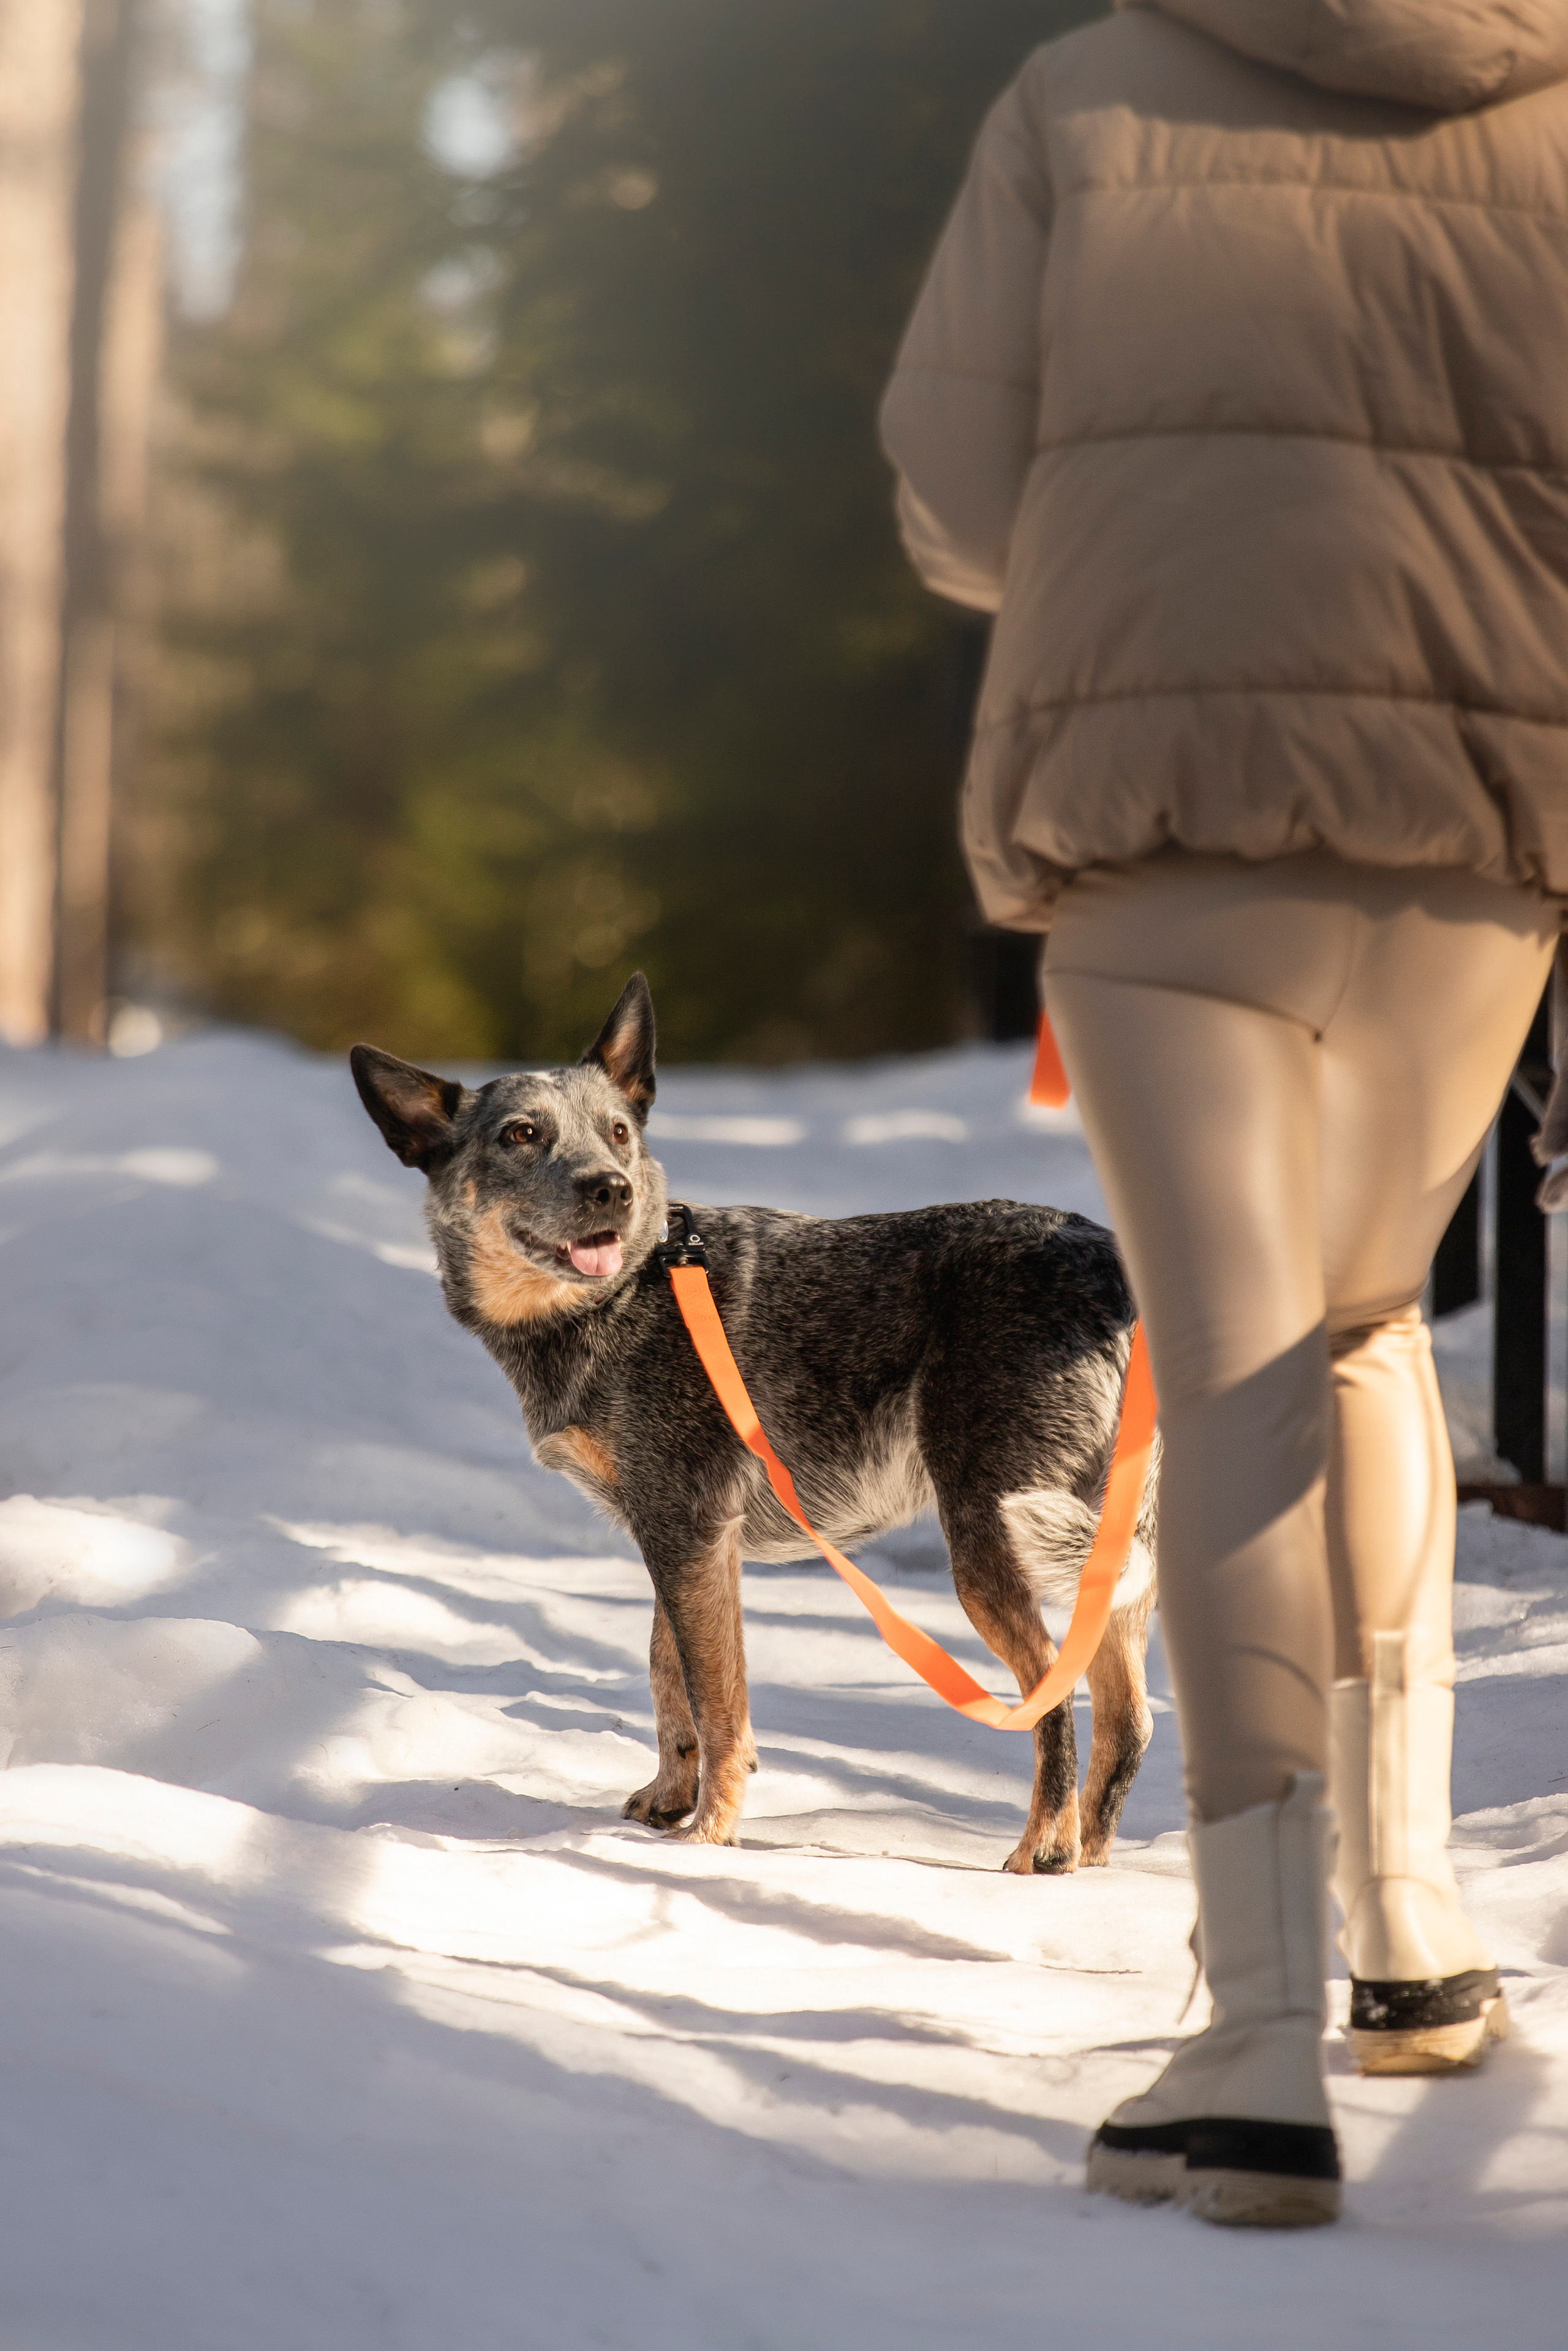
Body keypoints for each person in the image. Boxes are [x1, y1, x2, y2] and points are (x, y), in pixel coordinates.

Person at [882, 0, 1568, 2228]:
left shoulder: (1086, 94)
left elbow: (963, 501)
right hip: (1478, 826)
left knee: (1245, 1356)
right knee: (1371, 1329)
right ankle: (1414, 1921)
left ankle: (1257, 2041)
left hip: (1172, 820)